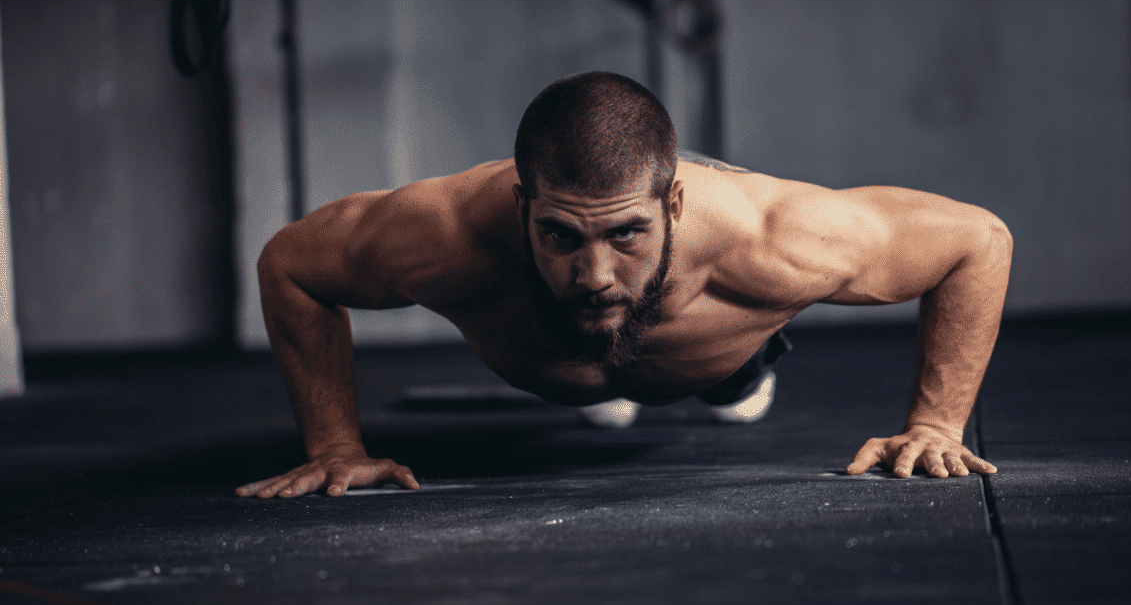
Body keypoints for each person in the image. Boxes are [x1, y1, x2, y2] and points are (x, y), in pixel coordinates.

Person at [236, 71, 1009, 499]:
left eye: (626, 235)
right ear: (523, 207)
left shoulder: (775, 236)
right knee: (598, 356)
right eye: (561, 236)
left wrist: (937, 426)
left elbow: (978, 240)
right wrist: (334, 444)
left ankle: (738, 369)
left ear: (673, 206)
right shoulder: (442, 232)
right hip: (557, 348)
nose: (594, 270)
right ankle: (607, 369)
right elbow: (290, 264)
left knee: (733, 389)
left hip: (719, 333)